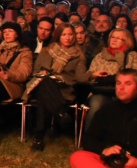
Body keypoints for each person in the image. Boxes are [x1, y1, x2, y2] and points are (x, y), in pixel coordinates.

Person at [22, 23, 89, 151]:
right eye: (64, 34)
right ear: (59, 36)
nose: (67, 38)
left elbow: (79, 77)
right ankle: (61, 113)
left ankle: (38, 138)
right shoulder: (47, 51)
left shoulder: (78, 56)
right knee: (46, 81)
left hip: (63, 89)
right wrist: (41, 73)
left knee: (44, 96)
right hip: (41, 84)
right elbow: (35, 70)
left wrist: (93, 75)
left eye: (70, 34)